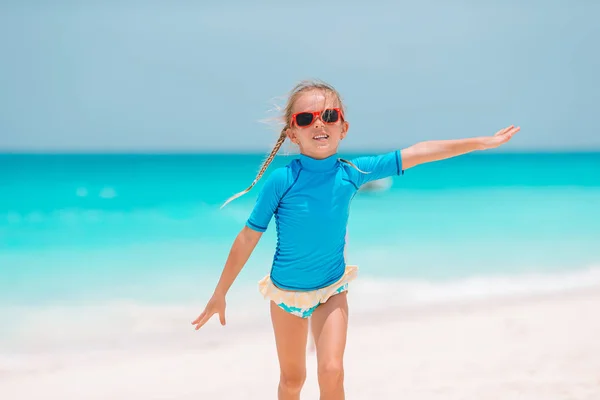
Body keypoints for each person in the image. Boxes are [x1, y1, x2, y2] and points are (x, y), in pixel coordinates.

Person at [191, 80, 520, 399]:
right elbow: (248, 237)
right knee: (292, 381)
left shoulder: (352, 172)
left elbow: (418, 152)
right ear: (293, 134)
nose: (319, 124)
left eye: (329, 115)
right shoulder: (282, 180)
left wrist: (480, 143)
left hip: (332, 288)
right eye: (306, 119)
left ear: (343, 128)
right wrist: (220, 293)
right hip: (286, 292)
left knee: (332, 371)